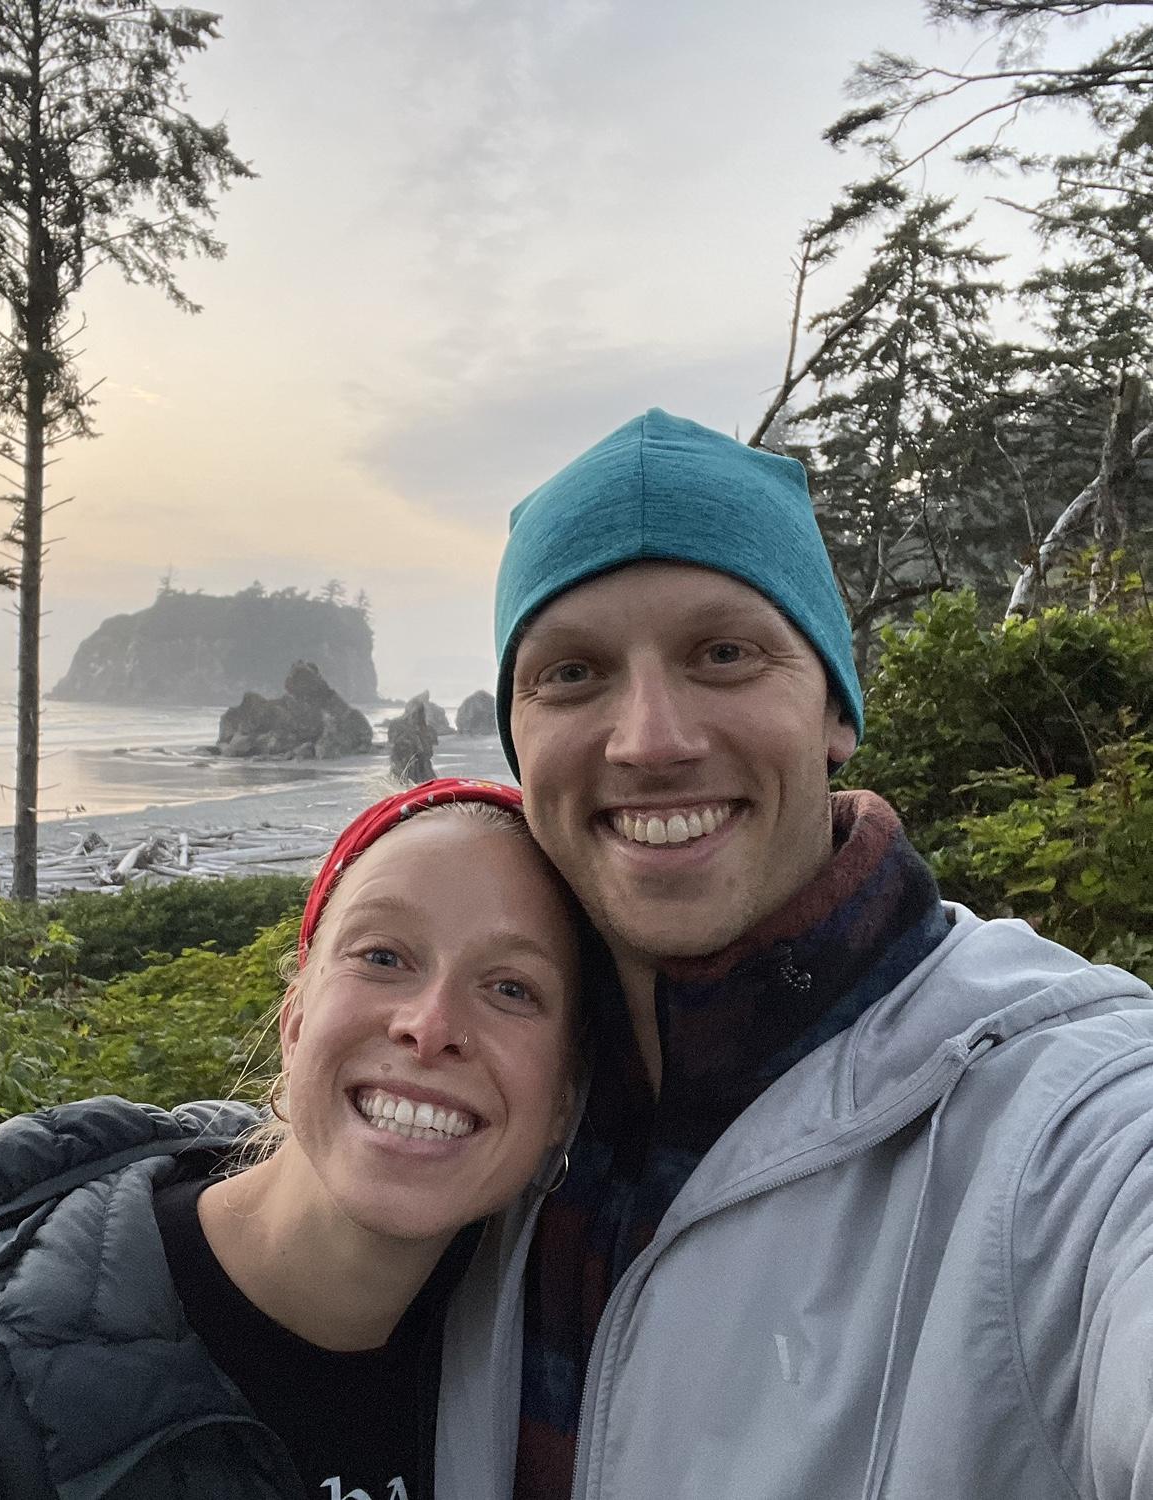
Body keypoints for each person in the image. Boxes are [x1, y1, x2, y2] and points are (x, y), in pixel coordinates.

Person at [434, 409, 1153, 1499]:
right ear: (518, 744)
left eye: (724, 653)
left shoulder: (1063, 1120)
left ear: (835, 712)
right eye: (573, 674)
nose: (651, 740)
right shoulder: (490, 1101)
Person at [0, 778, 583, 1500]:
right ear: (296, 1022)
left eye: (512, 989)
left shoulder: (557, 1383)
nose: (430, 1025)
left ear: (566, 1102)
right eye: (383, 956)